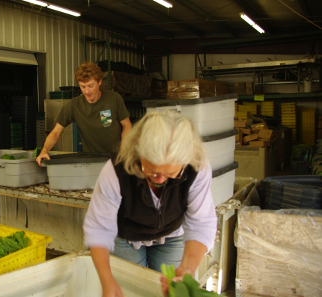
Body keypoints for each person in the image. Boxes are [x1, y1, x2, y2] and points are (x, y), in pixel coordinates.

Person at [83, 110, 217, 297]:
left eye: (171, 174)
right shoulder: (116, 170)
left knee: (169, 292)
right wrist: (107, 281)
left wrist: (187, 268)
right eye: (152, 171)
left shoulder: (196, 165)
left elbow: (201, 223)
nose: (160, 180)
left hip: (172, 234)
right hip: (126, 236)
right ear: (138, 149)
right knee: (131, 291)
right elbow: (99, 228)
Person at [36, 62, 132, 166]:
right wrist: (44, 151)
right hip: (92, 161)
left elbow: (127, 126)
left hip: (117, 159)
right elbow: (56, 132)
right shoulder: (73, 105)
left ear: (99, 81)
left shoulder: (114, 99)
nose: (87, 91)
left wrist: (123, 151)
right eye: (83, 86)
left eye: (91, 86)